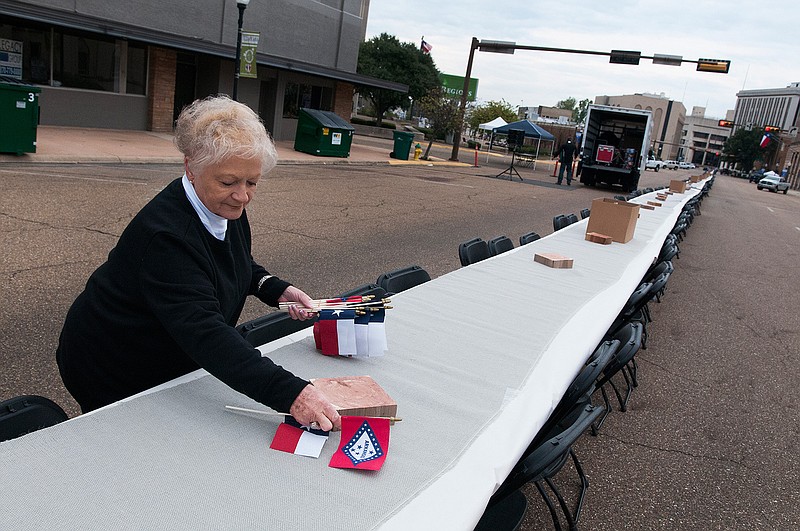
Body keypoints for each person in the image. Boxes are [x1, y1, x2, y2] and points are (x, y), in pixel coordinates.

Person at [56, 95, 341, 431]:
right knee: (133, 442)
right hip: (112, 361)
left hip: (169, 347)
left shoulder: (223, 205)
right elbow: (206, 333)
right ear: (191, 167)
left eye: (252, 182)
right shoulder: (166, 237)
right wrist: (293, 393)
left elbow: (235, 263)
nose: (243, 196)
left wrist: (275, 289)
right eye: (229, 182)